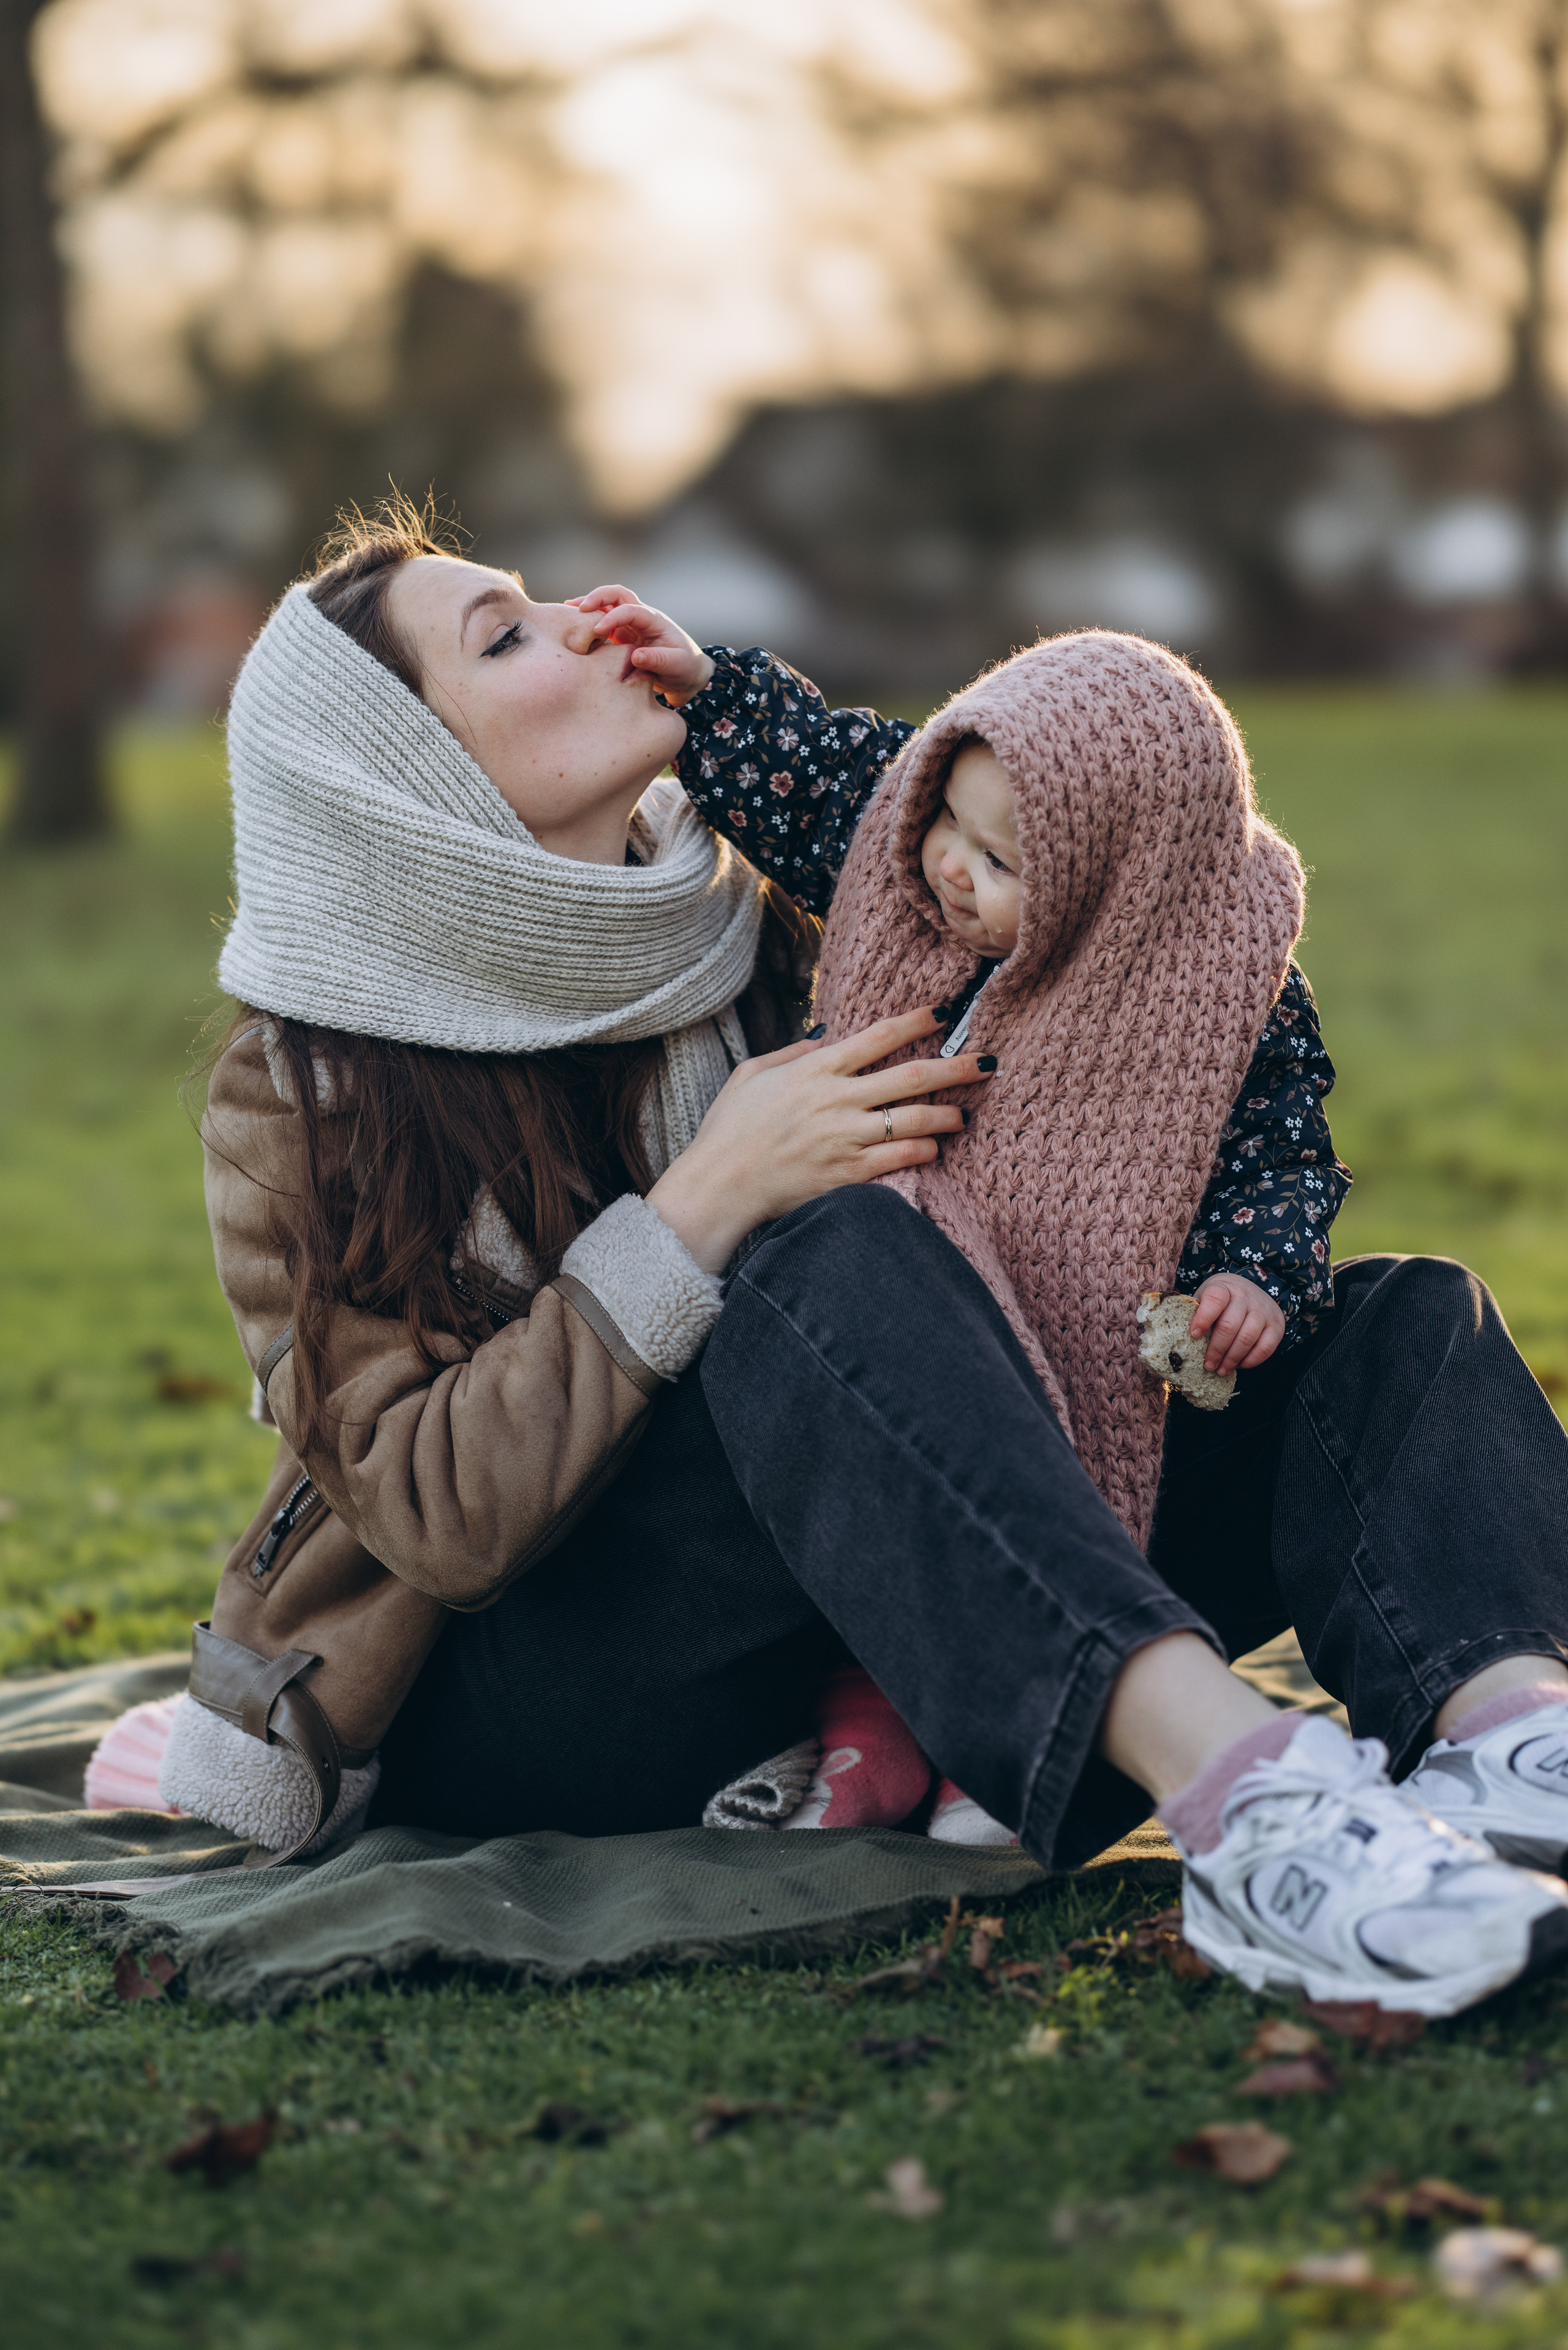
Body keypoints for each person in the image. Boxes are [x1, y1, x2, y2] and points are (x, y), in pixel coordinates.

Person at [125, 500, 1568, 2024]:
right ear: (409, 781)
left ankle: (1515, 1736)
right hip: (550, 1681)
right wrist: (709, 1195)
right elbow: (437, 1515)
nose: (587, 614)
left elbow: (984, 851)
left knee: (1396, 1324)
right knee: (820, 1248)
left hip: (885, 1590)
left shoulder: (752, 922)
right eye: (506, 636)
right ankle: (1252, 1803)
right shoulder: (306, 1088)